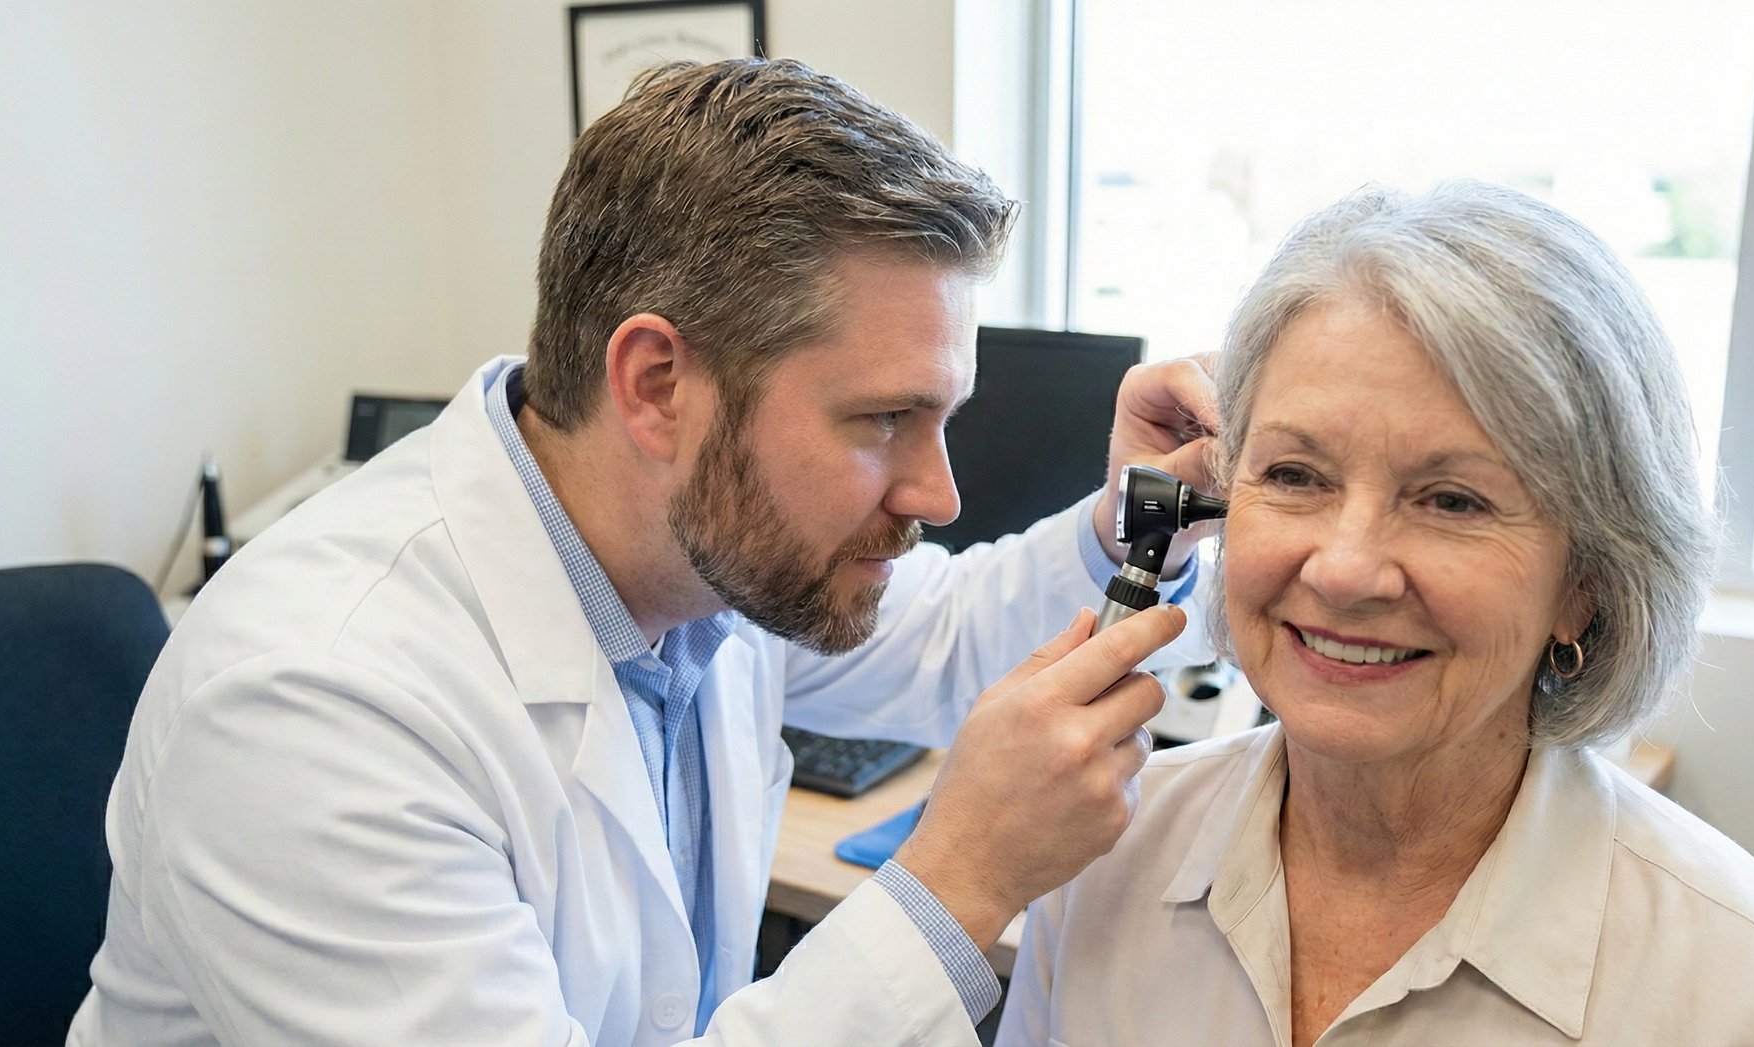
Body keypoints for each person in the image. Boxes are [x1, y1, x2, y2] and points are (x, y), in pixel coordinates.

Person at [67, 59, 1222, 1046]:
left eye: (943, 419)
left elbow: (947, 636)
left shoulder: (702, 569)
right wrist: (960, 880)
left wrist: (1137, 522)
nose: (937, 489)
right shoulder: (316, 701)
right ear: (658, 387)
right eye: (881, 421)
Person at [997, 182, 1754, 1046]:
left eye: (1453, 500)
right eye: (1296, 476)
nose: (1344, 571)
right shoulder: (1097, 858)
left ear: (1589, 581)